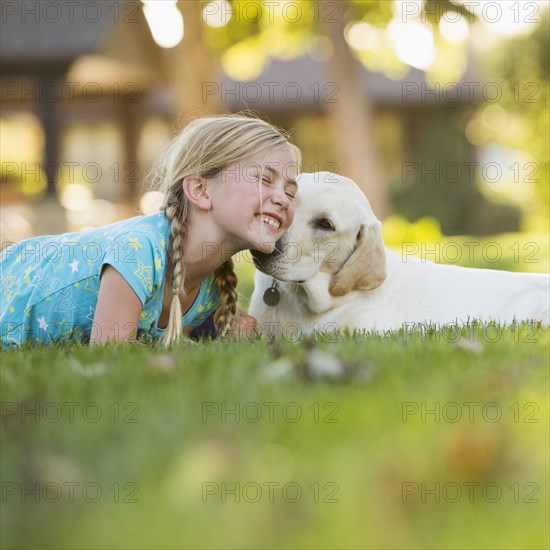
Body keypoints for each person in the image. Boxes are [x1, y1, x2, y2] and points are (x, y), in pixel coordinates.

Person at [1, 114, 301, 348]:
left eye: (290, 192)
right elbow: (111, 354)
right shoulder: (138, 251)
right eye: (264, 179)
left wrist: (227, 330)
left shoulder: (210, 288)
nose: (281, 198)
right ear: (200, 190)